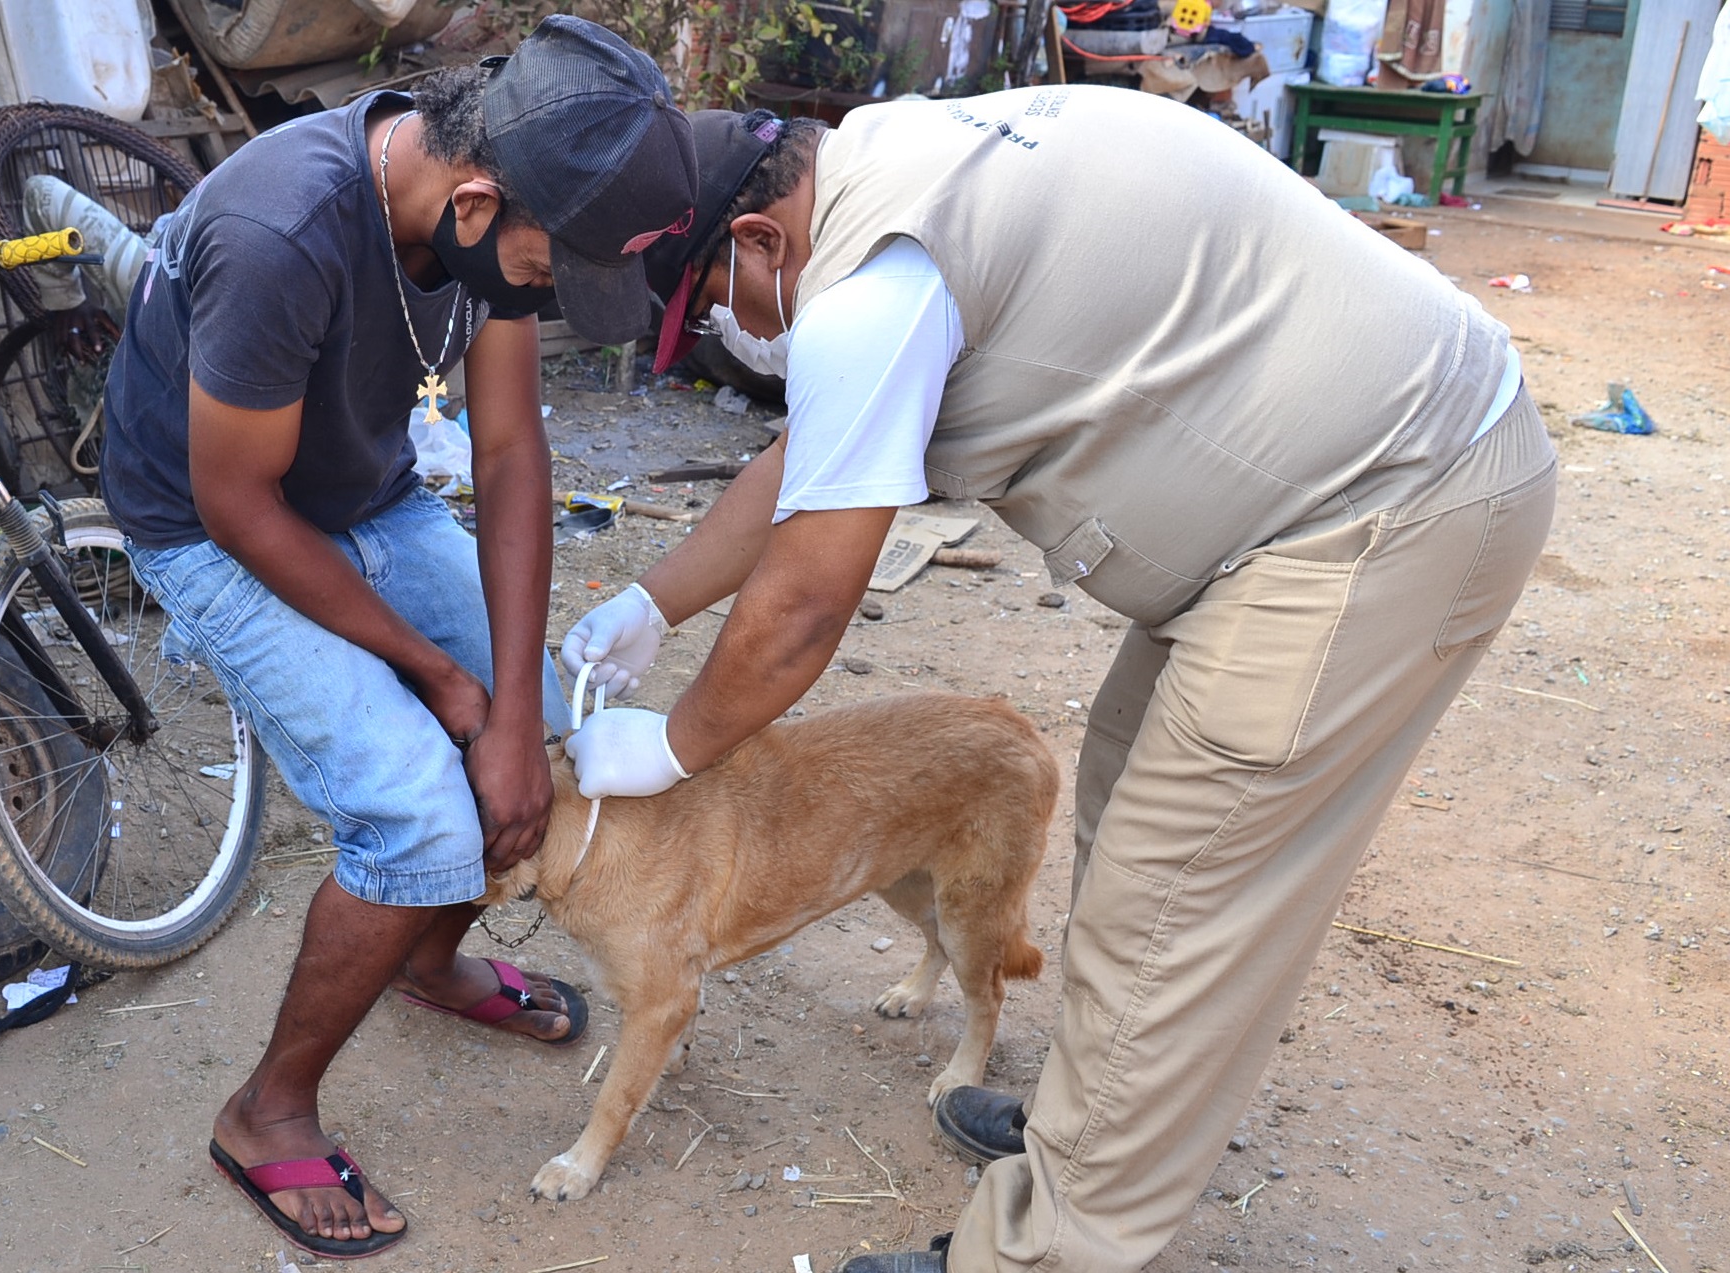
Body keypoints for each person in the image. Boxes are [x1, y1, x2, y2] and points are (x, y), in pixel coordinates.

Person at [559, 93, 1554, 1271]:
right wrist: (649, 602)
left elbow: (803, 609)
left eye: (712, 303)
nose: (726, 328)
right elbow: (799, 465)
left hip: (1380, 505)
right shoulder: (881, 162)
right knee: (1130, 789)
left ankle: (1046, 1245)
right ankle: (1097, 1130)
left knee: (1169, 900)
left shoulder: (873, 293)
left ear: (759, 241)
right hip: (1330, 483)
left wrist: (673, 745)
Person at [100, 17, 696, 1258]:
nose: (544, 293)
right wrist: (443, 686)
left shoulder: (494, 206)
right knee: (415, 808)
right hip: (213, 525)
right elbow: (237, 504)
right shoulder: (283, 229)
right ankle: (265, 1112)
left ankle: (427, 955)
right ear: (475, 203)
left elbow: (511, 449)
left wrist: (514, 711)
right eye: (548, 270)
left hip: (365, 497)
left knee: (538, 720)